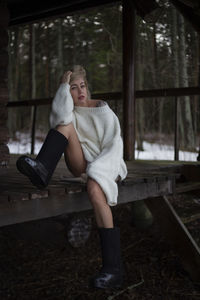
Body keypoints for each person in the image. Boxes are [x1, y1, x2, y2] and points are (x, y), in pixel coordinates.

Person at [16, 65, 128, 289]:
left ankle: (113, 269)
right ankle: (42, 169)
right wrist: (62, 87)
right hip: (82, 162)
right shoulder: (72, 112)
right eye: (73, 89)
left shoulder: (103, 111)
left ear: (88, 87)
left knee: (95, 190)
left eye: (82, 86)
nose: (80, 92)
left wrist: (97, 171)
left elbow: (114, 148)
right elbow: (59, 116)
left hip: (108, 163)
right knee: (64, 124)